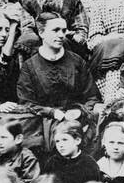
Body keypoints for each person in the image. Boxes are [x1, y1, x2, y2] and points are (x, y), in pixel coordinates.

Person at [16, 11, 101, 154]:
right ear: (41, 33)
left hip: (76, 119)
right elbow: (26, 102)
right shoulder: (29, 66)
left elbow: (92, 96)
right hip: (44, 121)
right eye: (55, 30)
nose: (61, 35)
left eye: (63, 30)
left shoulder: (77, 61)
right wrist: (53, 113)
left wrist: (80, 112)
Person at [42, 118, 103, 183]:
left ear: (77, 140)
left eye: (64, 140)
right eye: (57, 141)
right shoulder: (52, 162)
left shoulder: (89, 164)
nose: (60, 145)